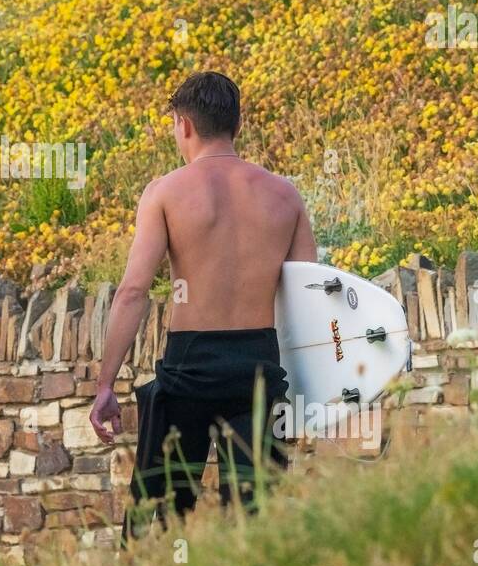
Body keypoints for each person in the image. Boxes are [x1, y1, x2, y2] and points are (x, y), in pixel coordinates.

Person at [88, 71, 317, 535]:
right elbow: (307, 300)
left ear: (184, 125)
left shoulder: (166, 193)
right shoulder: (284, 196)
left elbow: (133, 291)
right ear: (237, 124)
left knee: (158, 517)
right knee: (258, 522)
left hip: (189, 367)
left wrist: (105, 384)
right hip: (258, 364)